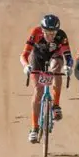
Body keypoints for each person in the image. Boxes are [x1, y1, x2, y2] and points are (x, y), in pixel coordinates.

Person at [20, 14, 73, 143]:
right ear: (42, 30)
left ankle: (56, 105)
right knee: (38, 91)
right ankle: (34, 128)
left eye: (53, 33)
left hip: (55, 55)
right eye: (47, 33)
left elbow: (68, 56)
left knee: (56, 69)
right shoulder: (35, 33)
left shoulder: (61, 35)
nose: (51, 36)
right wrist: (26, 66)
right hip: (38, 57)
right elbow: (24, 55)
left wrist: (68, 66)